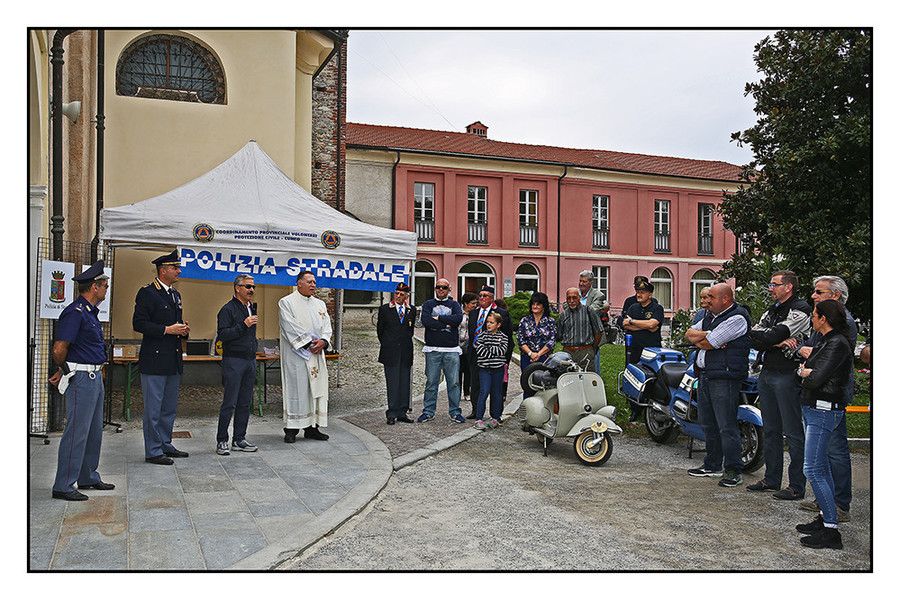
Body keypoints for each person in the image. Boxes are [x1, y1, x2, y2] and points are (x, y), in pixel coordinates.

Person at [779, 275, 857, 521]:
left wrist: (805, 362)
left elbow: (819, 359)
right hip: (816, 398)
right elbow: (807, 354)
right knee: (821, 456)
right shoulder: (823, 326)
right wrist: (804, 360)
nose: (813, 295)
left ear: (835, 296)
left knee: (834, 451)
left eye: (819, 292)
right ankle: (827, 503)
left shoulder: (844, 325)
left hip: (830, 398)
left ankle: (838, 506)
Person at [49, 261, 114, 500]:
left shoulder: (90, 312)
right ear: (94, 287)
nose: (107, 289)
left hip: (95, 376)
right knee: (76, 431)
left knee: (94, 430)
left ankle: (88, 475)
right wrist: (65, 369)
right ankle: (64, 484)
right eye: (104, 285)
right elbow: (59, 348)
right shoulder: (74, 312)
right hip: (82, 378)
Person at [747, 270, 812, 500]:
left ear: (788, 287)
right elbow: (754, 334)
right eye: (770, 284)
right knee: (771, 429)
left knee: (794, 432)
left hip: (787, 374)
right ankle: (772, 479)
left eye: (774, 285)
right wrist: (774, 341)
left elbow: (777, 332)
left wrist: (773, 338)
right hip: (768, 372)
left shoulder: (801, 309)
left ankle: (796, 485)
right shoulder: (772, 309)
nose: (770, 288)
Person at [794, 299, 854, 550]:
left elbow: (815, 377)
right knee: (822, 469)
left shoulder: (837, 343)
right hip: (815, 408)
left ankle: (831, 529)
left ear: (824, 319)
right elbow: (810, 371)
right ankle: (824, 519)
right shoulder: (827, 341)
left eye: (815, 314)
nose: (812, 317)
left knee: (813, 470)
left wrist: (805, 373)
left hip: (823, 410)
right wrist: (806, 372)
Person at [684, 283, 752, 488]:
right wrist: (708, 336)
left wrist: (706, 338)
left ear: (725, 299)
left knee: (726, 425)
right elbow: (689, 334)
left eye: (712, 297)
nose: (707, 301)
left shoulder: (737, 317)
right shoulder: (710, 317)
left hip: (725, 377)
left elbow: (709, 343)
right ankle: (712, 465)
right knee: (708, 423)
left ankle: (733, 469)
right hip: (705, 375)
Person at [133, 250, 190, 465]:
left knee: (169, 408)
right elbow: (139, 324)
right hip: (155, 360)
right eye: (175, 268)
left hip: (172, 359)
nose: (179, 271)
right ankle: (153, 450)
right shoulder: (148, 293)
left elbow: (175, 324)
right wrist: (167, 329)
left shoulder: (175, 294)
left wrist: (183, 330)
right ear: (163, 270)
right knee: (153, 409)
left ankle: (165, 442)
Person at [278, 271, 332, 442]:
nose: (313, 285)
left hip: (316, 354)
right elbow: (289, 326)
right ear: (299, 283)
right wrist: (309, 344)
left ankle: (312, 427)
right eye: (309, 281)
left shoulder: (320, 304)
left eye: (314, 282)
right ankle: (291, 429)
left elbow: (327, 326)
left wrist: (323, 341)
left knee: (315, 390)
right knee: (298, 389)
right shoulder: (286, 302)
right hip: (298, 355)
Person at [214, 274, 259, 455]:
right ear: (237, 288)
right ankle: (222, 440)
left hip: (250, 360)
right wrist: (243, 325)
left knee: (245, 402)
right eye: (248, 286)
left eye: (253, 287)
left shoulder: (250, 308)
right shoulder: (227, 309)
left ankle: (239, 438)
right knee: (230, 402)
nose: (251, 290)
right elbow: (223, 334)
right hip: (234, 361)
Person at [419, 278, 465, 423]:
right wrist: (445, 324)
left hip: (451, 349)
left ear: (449, 289)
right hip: (432, 349)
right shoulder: (428, 304)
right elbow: (426, 321)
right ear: (435, 288)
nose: (441, 290)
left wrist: (438, 318)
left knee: (454, 382)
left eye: (444, 287)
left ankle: (455, 412)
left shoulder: (454, 304)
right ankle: (428, 411)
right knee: (431, 381)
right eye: (438, 287)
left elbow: (457, 319)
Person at [466, 285, 513, 419]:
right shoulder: (474, 312)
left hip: (497, 358)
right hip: (476, 355)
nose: (481, 298)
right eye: (480, 295)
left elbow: (508, 338)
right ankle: (476, 411)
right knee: (475, 385)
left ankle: (495, 414)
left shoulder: (502, 314)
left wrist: (505, 359)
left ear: (492, 298)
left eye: (485, 295)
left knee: (495, 388)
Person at [377, 283, 417, 425]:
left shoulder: (411, 310)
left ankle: (402, 412)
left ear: (407, 296)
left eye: (401, 294)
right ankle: (392, 412)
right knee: (393, 382)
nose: (398, 296)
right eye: (396, 293)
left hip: (405, 351)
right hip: (391, 351)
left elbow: (410, 331)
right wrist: (389, 343)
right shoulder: (385, 309)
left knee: (404, 382)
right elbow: (380, 331)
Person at [472, 312, 508, 430]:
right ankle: (478, 419)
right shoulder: (482, 336)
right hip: (484, 370)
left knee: (497, 394)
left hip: (498, 370)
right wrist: (492, 349)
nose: (488, 324)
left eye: (491, 322)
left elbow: (501, 351)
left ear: (498, 324)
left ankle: (496, 418)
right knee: (484, 392)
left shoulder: (504, 337)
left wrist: (488, 348)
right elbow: (480, 350)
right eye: (487, 322)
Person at [517, 291, 557, 398]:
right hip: (527, 359)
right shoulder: (524, 321)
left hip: (545, 359)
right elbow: (520, 340)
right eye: (533, 304)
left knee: (544, 385)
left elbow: (552, 341)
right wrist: (531, 354)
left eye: (538, 304)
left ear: (543, 306)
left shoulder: (550, 321)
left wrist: (538, 354)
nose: (535, 306)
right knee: (528, 385)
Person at [556, 287, 603, 372]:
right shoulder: (563, 315)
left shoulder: (589, 311)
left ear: (579, 298)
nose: (571, 301)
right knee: (569, 380)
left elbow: (599, 331)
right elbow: (559, 335)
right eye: (569, 298)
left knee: (587, 380)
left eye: (574, 297)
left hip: (585, 351)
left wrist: (593, 348)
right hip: (568, 352)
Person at [622, 278, 664, 365]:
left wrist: (632, 321)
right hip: (634, 349)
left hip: (651, 350)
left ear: (650, 295)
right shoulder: (633, 307)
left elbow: (652, 324)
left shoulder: (657, 308)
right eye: (638, 292)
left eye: (642, 293)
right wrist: (646, 326)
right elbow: (625, 324)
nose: (639, 295)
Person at [577, 270, 611, 375]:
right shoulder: (575, 293)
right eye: (580, 281)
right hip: (575, 335)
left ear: (591, 283)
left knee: (592, 364)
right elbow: (565, 305)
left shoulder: (599, 295)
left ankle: (594, 385)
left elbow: (591, 311)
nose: (581, 284)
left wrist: (574, 309)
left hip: (591, 337)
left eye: (584, 281)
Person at [458, 292, 478, 406]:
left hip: (470, 346)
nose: (474, 305)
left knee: (468, 371)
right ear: (465, 303)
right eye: (472, 303)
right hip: (459, 345)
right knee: (458, 371)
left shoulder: (475, 315)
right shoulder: (459, 314)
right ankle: (458, 392)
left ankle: (467, 392)